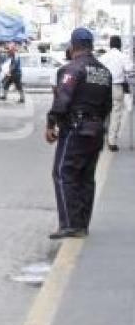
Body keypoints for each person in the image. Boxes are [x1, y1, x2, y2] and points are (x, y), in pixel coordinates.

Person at [45, 28, 113, 239]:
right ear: (91, 46)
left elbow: (62, 100)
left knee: (63, 174)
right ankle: (82, 224)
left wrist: (51, 123)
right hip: (96, 130)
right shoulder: (104, 72)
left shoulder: (72, 69)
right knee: (85, 177)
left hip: (75, 130)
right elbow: (107, 105)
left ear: (73, 46)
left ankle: (69, 224)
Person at [98, 35, 131, 152]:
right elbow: (130, 69)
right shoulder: (123, 57)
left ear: (110, 44)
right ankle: (111, 142)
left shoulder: (103, 57)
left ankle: (99, 139)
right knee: (116, 114)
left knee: (103, 113)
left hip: (103, 88)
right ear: (120, 45)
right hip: (117, 87)